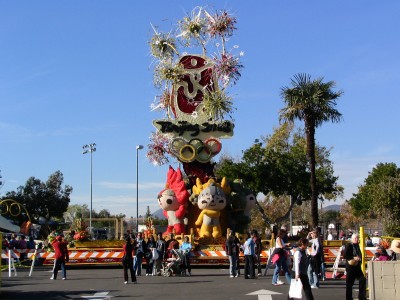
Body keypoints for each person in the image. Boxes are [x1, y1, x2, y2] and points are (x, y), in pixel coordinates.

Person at [343, 233, 366, 300]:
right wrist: (353, 257)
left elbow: (360, 254)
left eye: (357, 238)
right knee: (349, 284)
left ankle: (362, 297)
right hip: (350, 266)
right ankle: (349, 298)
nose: (357, 239)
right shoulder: (349, 245)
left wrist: (359, 258)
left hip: (357, 266)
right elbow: (345, 256)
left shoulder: (357, 245)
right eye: (355, 238)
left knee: (362, 279)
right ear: (352, 239)